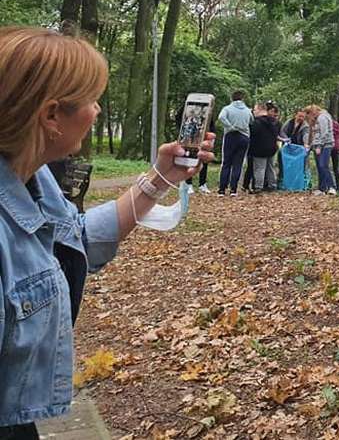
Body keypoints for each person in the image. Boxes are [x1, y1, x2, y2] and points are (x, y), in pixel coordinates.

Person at [0, 27, 214, 438]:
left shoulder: (34, 179)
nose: (97, 111)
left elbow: (77, 239)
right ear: (50, 116)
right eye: (91, 100)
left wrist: (161, 177)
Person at [217, 90, 251, 197]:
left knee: (226, 163)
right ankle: (233, 189)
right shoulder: (247, 110)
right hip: (244, 137)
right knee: (238, 164)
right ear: (243, 98)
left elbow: (221, 117)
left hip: (231, 135)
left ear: (232, 98)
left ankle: (222, 189)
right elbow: (252, 121)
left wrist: (230, 126)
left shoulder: (227, 109)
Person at [248, 102, 280, 193]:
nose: (253, 111)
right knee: (271, 167)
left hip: (259, 148)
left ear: (260, 110)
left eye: (255, 109)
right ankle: (272, 185)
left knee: (259, 168)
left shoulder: (257, 122)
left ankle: (258, 186)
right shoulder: (273, 121)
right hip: (271, 148)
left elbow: (252, 134)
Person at [305, 104, 337, 195]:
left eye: (309, 114)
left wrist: (319, 146)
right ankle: (322, 188)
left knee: (323, 165)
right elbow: (316, 134)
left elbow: (324, 133)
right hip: (318, 145)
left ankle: (332, 186)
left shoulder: (322, 118)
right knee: (320, 167)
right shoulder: (318, 119)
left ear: (312, 112)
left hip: (325, 145)